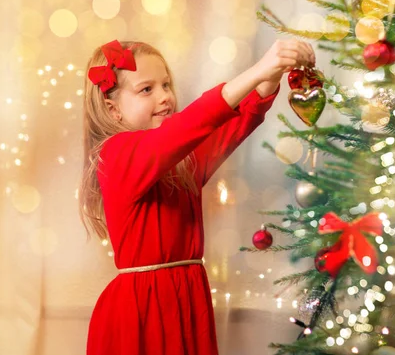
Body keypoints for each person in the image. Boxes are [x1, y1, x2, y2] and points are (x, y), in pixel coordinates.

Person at [80, 39, 315, 354]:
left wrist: (268, 79)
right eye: (146, 90)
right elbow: (190, 124)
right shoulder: (116, 156)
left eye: (166, 85)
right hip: (142, 310)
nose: (165, 97)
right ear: (113, 110)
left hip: (187, 297)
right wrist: (257, 70)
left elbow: (231, 126)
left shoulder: (179, 162)